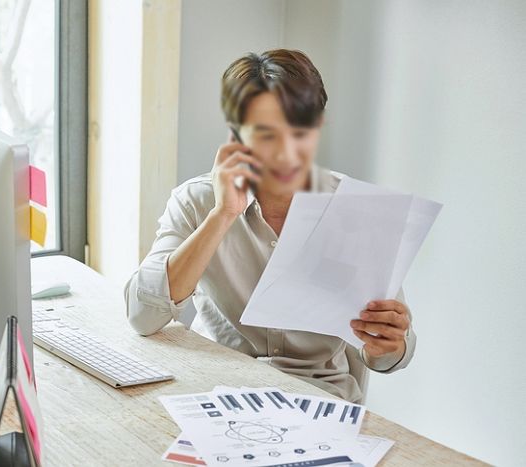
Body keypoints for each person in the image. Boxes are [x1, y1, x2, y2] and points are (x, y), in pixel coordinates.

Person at [124, 49, 415, 403]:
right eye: (266, 135)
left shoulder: (358, 212)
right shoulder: (196, 201)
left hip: (319, 399)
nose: (286, 152)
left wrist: (389, 343)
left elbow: (388, 357)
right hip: (214, 391)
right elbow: (142, 316)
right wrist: (222, 214)